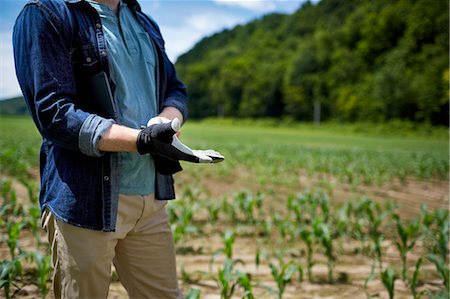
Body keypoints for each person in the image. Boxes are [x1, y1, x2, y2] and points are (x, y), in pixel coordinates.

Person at [13, 0, 190, 298]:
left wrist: (167, 121)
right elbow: (54, 112)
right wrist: (140, 140)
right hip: (86, 202)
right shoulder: (47, 14)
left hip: (150, 199)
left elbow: (174, 87)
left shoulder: (145, 23)